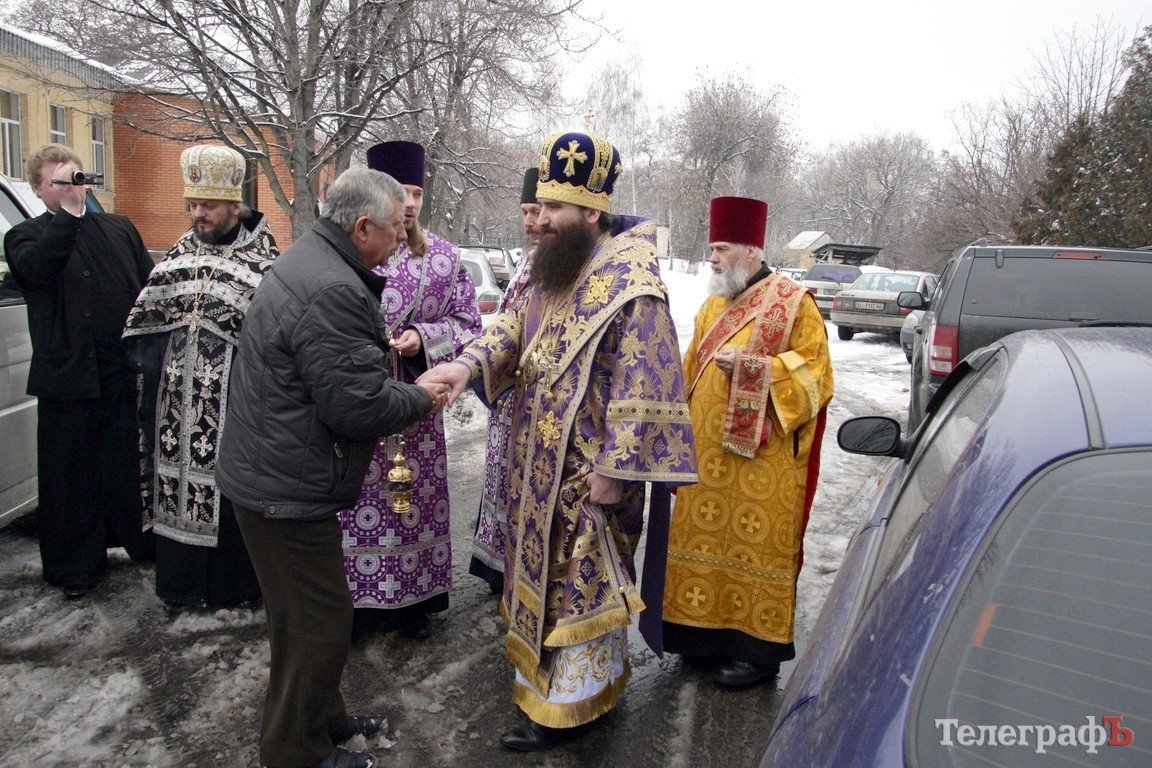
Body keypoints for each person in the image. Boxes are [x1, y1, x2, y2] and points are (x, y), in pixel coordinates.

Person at [418, 131, 698, 751]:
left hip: (589, 471)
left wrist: (619, 469)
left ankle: (568, 708)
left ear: (590, 213)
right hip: (536, 462)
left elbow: (648, 379)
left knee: (577, 588)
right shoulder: (556, 264)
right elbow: (514, 326)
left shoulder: (633, 281)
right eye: (538, 207)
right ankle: (549, 691)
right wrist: (465, 367)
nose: (538, 219)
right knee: (537, 581)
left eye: (551, 209)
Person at [215, 167, 450, 768]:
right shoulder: (332, 288)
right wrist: (423, 396)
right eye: (396, 228)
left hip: (275, 472)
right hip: (283, 486)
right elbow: (356, 405)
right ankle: (296, 752)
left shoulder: (317, 261)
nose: (403, 238)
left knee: (307, 616)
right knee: (316, 624)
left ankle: (323, 716)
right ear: (363, 225)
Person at [661, 196, 835, 688]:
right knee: (700, 542)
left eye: (722, 248)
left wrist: (758, 370)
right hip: (707, 457)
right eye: (712, 248)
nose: (712, 258)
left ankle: (754, 654)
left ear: (752, 249)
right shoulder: (713, 304)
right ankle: (697, 638)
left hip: (765, 462)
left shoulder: (794, 303)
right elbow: (690, 367)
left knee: (752, 551)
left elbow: (818, 375)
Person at [123, 145, 278, 612]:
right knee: (176, 481)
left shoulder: (265, 261)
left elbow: (273, 337)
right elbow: (146, 317)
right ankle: (181, 584)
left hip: (234, 404)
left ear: (235, 204)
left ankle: (234, 587)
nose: (198, 215)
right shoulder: (180, 252)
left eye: (207, 206)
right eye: (192, 205)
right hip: (174, 403)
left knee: (229, 490)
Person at [339, 140, 480, 640]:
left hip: (418, 406)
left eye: (418, 192)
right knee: (356, 499)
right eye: (402, 192)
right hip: (360, 400)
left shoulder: (444, 256)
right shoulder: (354, 246)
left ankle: (413, 601)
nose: (412, 202)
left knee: (413, 502)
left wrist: (424, 338)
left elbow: (470, 322)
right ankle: (356, 602)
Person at [3, 143, 155, 599]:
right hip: (66, 379)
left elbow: (149, 285)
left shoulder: (118, 228)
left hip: (118, 373)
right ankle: (75, 567)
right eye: (59, 182)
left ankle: (137, 542)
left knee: (124, 467)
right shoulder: (26, 236)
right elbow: (38, 270)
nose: (72, 189)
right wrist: (67, 217)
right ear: (38, 189)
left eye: (76, 178)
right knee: (70, 477)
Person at [467, 166, 540, 595]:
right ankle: (498, 565)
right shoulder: (529, 261)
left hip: (533, 400)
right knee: (500, 478)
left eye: (538, 210)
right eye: (526, 211)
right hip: (506, 398)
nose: (531, 221)